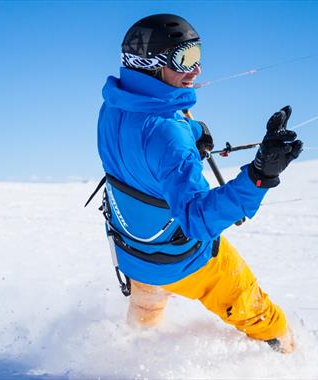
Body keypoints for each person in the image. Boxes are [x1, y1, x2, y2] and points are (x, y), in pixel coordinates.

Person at [95, 14, 302, 353]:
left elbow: (143, 137)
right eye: (185, 59)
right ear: (152, 65)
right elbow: (197, 220)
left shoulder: (111, 109)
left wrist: (194, 131)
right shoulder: (168, 136)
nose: (197, 69)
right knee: (246, 299)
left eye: (198, 55)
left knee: (146, 313)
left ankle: (131, 354)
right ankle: (287, 350)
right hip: (184, 261)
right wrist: (259, 176)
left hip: (133, 256)